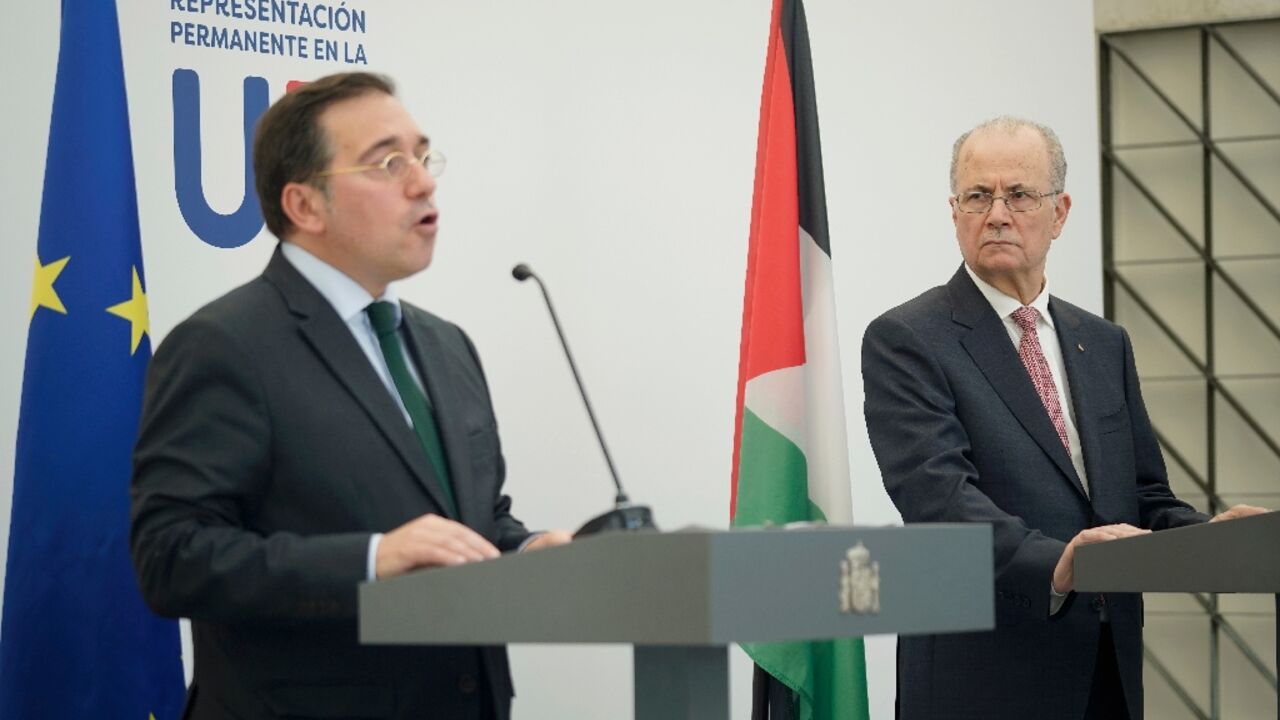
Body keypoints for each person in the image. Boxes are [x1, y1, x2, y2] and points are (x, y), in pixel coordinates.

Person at [130, 72, 571, 720]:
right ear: (306, 206)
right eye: (388, 162)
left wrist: (526, 551)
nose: (423, 181)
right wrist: (368, 559)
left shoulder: (447, 346)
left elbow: (466, 525)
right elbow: (172, 555)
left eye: (422, 156)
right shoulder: (224, 346)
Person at [860, 116, 1266, 720]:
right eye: (977, 196)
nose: (997, 213)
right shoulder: (907, 338)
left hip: (1105, 672)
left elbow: (1141, 497)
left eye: (1019, 194)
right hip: (982, 677)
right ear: (955, 213)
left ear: (1060, 212)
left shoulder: (1102, 342)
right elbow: (939, 500)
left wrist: (1214, 539)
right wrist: (1056, 562)